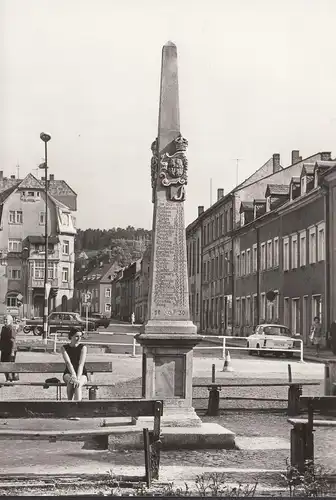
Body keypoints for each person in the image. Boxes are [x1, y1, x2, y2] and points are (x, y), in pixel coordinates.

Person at [61, 327, 87, 407]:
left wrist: (77, 378)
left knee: (77, 385)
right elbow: (68, 363)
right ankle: (70, 405)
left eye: (80, 336)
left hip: (82, 374)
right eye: (76, 336)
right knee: (71, 382)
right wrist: (73, 376)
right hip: (68, 373)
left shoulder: (83, 348)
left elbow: (81, 364)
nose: (78, 338)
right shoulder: (64, 348)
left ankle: (76, 409)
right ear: (71, 336)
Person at [0, 314, 18, 382]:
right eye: (4, 319)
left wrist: (12, 351)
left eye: (6, 320)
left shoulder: (11, 328)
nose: (5, 321)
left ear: (10, 321)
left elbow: (13, 340)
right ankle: (8, 378)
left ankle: (13, 379)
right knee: (3, 364)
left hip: (11, 349)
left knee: (10, 365)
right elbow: (2, 339)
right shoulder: (3, 328)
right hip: (4, 349)